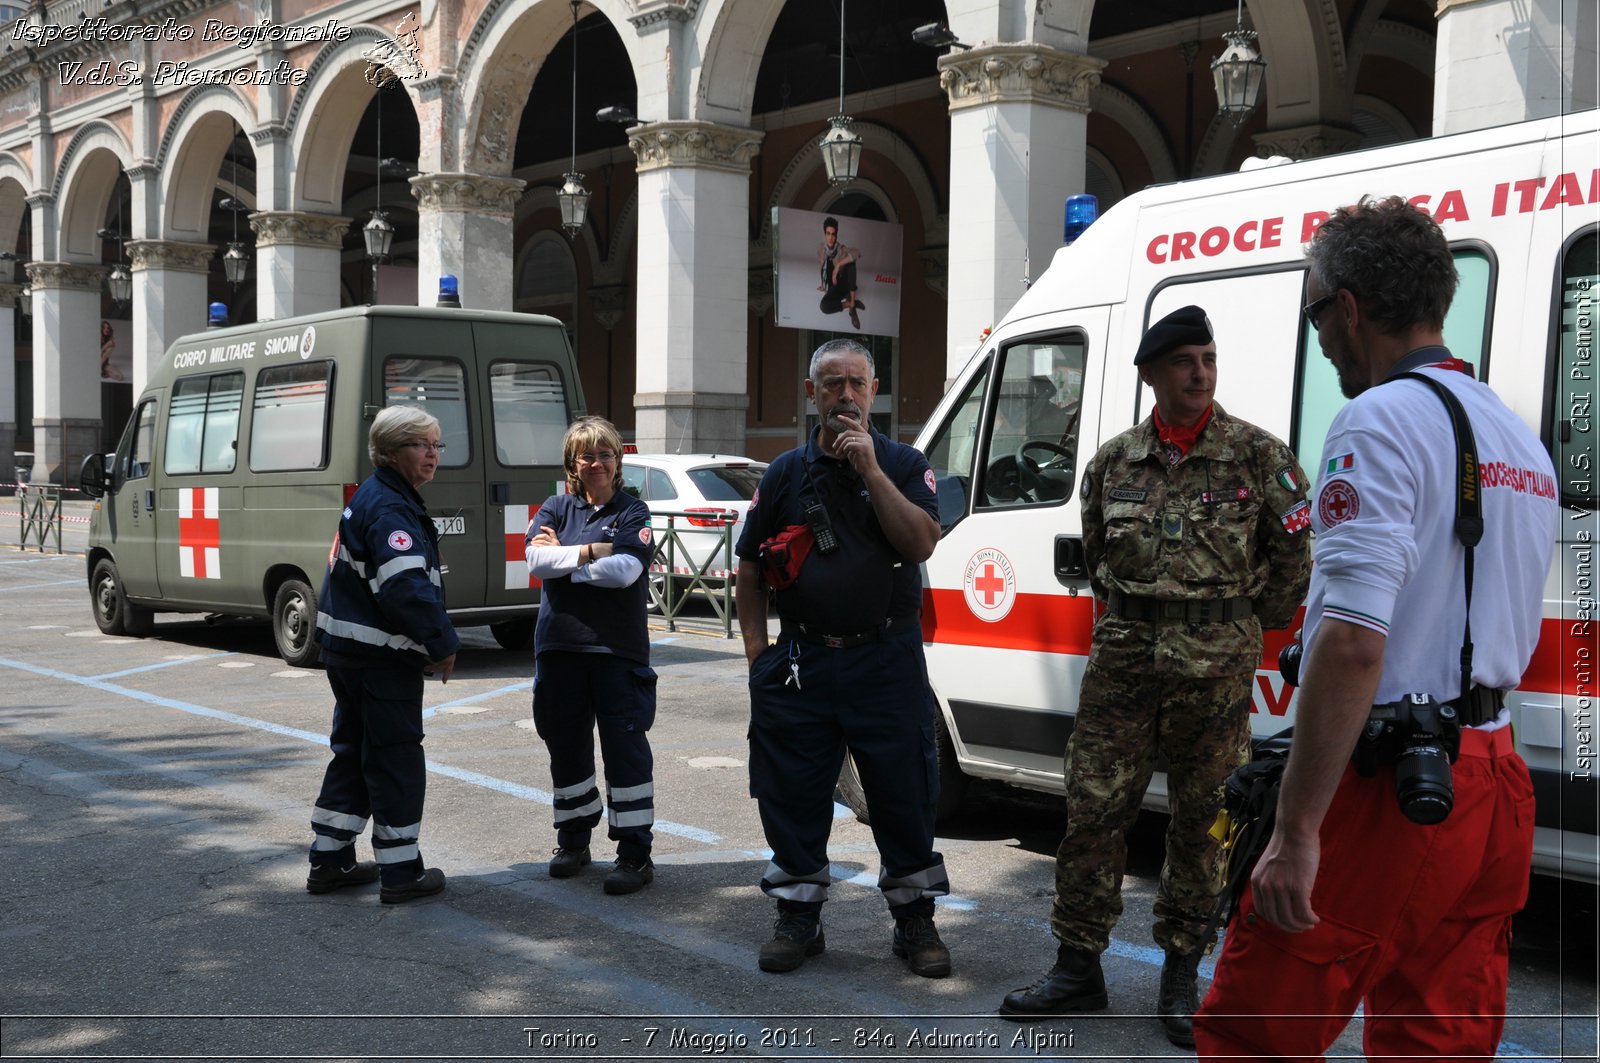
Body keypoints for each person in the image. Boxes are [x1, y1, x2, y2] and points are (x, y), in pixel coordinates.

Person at [1195, 198, 1557, 1061]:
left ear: (1349, 308)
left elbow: (1355, 640)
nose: (1320, 335)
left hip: (1391, 787)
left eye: (1317, 312)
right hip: (1493, 779)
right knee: (1438, 1037)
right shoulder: (1519, 439)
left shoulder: (1378, 420)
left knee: (1256, 1032)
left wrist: (1296, 830)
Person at [1000, 305, 1313, 1045]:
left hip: (1215, 672)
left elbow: (1295, 564)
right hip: (1123, 664)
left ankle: (1180, 975)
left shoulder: (1260, 457)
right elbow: (1102, 560)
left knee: (1204, 824)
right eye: (1184, 361)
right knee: (1093, 810)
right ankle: (1078, 966)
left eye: (1208, 358)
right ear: (1152, 373)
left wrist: (1233, 620)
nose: (1200, 372)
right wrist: (1143, 622)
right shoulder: (1113, 462)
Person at [734, 338, 950, 978]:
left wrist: (871, 473)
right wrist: (756, 655)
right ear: (812, 395)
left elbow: (920, 544)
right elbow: (748, 568)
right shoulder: (782, 475)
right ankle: (799, 915)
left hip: (884, 660)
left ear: (874, 391)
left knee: (902, 793)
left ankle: (915, 922)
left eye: (857, 384)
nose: (845, 396)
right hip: (802, 661)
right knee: (793, 793)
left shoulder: (905, 464)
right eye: (832, 385)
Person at [306, 405, 459, 904]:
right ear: (392, 453)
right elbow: (405, 590)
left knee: (352, 754)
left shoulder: (377, 496)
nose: (433, 455)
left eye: (437, 445)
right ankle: (401, 872)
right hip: (380, 659)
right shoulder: (392, 508)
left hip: (350, 656)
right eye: (422, 445)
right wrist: (442, 643)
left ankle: (330, 859)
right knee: (394, 760)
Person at [524, 416, 659, 895]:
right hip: (559, 647)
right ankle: (573, 841)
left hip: (616, 651)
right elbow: (536, 561)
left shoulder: (633, 512)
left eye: (606, 454)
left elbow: (625, 570)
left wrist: (568, 560)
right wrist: (590, 553)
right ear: (573, 464)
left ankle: (634, 854)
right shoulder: (555, 507)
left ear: (617, 462)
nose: (597, 462)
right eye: (588, 455)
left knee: (624, 750)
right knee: (565, 746)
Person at [816, 216, 865, 330]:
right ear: (825, 234)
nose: (831, 237)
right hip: (833, 289)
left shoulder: (841, 249)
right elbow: (823, 269)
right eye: (828, 233)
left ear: (836, 235)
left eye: (833, 234)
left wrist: (838, 265)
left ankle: (852, 306)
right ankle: (850, 304)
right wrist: (824, 285)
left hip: (843, 285)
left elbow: (857, 253)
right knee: (824, 307)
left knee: (852, 263)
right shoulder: (820, 250)